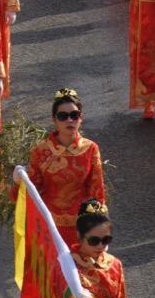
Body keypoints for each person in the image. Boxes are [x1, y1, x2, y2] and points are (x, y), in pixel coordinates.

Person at [26, 89, 105, 248]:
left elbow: (96, 190)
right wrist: (19, 180)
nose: (69, 120)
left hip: (81, 225)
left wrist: (99, 225)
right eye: (63, 116)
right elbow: (31, 191)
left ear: (81, 118)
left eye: (74, 115)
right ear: (54, 120)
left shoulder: (90, 149)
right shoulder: (41, 151)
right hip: (50, 225)